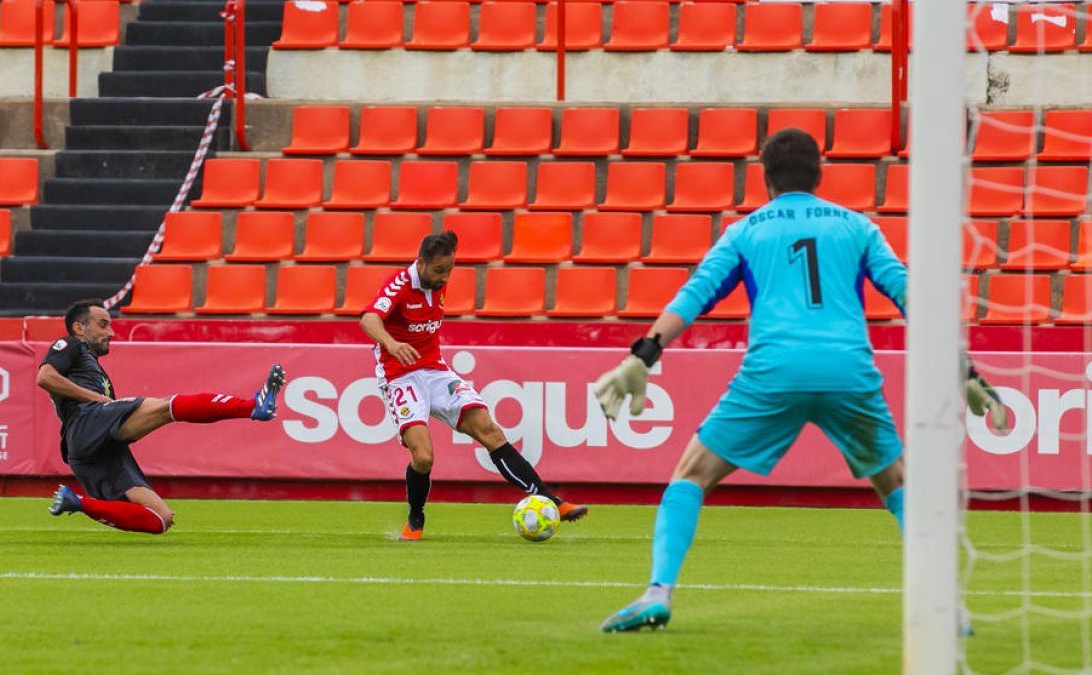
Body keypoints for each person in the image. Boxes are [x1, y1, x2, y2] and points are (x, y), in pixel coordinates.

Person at [592, 128, 1008, 632]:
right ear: (819, 175)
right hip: (847, 371)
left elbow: (695, 296)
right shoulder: (858, 228)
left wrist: (646, 353)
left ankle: (658, 592)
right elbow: (909, 294)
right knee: (899, 483)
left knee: (691, 474)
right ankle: (947, 604)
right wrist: (961, 368)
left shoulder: (746, 232)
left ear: (765, 178)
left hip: (774, 372)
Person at [359, 231, 588, 541]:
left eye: (450, 270)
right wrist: (391, 342)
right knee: (424, 457)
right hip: (400, 374)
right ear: (421, 263)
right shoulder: (400, 285)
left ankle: (551, 500)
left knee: (490, 430)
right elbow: (369, 318)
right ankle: (415, 518)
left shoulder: (437, 280)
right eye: (439, 270)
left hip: (435, 369)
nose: (444, 277)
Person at [38, 299, 287, 534]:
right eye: (103, 324)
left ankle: (76, 502)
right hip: (85, 424)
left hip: (92, 448)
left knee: (160, 518)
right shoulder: (71, 345)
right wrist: (97, 399)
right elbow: (45, 377)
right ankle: (252, 407)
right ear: (79, 328)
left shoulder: (95, 370)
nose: (111, 333)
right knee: (165, 407)